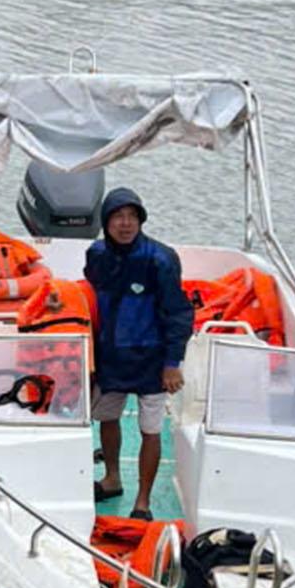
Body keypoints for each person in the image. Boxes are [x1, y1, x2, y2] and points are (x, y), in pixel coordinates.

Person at [83, 188, 192, 521]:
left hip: (152, 361)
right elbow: (89, 291)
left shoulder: (160, 259)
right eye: (118, 217)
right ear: (106, 222)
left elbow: (179, 313)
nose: (125, 223)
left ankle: (142, 502)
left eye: (132, 216)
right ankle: (112, 478)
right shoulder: (97, 253)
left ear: (141, 221)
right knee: (108, 419)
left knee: (150, 429)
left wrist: (172, 364)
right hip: (110, 356)